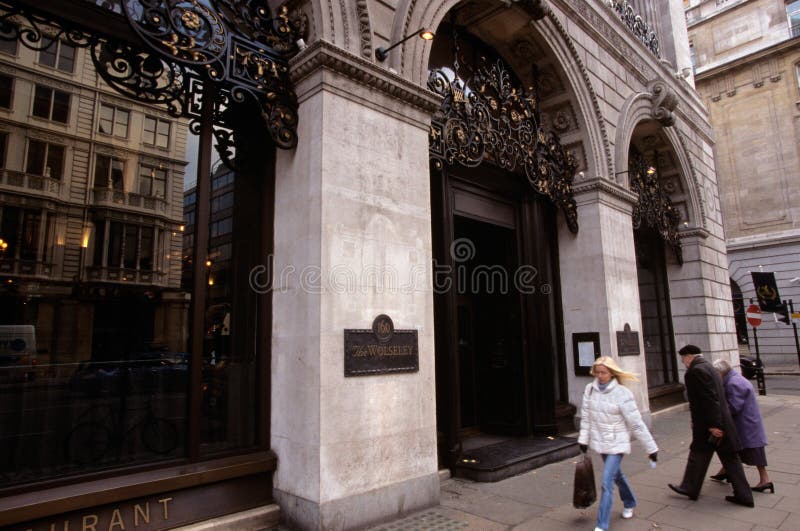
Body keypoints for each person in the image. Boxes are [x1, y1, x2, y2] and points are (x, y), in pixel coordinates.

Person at [668, 344, 754, 507]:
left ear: (689, 356)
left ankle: (742, 495)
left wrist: (715, 426)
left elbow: (709, 399)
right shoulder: (709, 367)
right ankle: (691, 487)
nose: (683, 362)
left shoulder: (696, 371)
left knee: (715, 456)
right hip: (716, 422)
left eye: (683, 359)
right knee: (706, 455)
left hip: (710, 425)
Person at [578, 356, 658, 531]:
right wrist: (583, 439)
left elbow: (636, 423)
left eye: (604, 372)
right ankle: (630, 501)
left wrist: (651, 448)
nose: (600, 375)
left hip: (617, 442)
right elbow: (586, 417)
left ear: (612, 373)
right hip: (601, 441)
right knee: (617, 475)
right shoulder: (589, 390)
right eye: (597, 372)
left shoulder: (622, 393)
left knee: (607, 482)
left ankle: (602, 525)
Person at [710, 358, 773, 493]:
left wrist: (719, 413)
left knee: (752, 452)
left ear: (721, 372)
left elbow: (734, 406)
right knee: (737, 450)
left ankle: (765, 480)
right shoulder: (735, 379)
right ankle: (725, 471)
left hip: (746, 425)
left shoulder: (733, 383)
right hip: (746, 423)